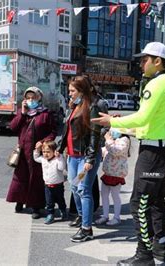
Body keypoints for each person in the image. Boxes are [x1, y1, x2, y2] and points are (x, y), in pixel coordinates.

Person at [91, 42, 165, 265]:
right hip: (163, 147)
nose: (141, 63)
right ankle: (160, 246)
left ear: (157, 61)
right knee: (156, 201)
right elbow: (150, 123)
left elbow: (142, 118)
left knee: (139, 203)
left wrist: (111, 121)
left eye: (144, 59)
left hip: (154, 153)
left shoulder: (158, 84)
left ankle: (144, 255)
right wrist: (121, 124)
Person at [58, 75, 103, 242]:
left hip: (85, 157)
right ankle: (83, 217)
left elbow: (94, 135)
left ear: (82, 91)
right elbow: (67, 131)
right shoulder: (74, 107)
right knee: (75, 188)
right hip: (73, 156)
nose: (69, 93)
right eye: (69, 90)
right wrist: (60, 147)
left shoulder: (92, 107)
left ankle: (86, 228)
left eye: (72, 91)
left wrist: (90, 159)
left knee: (84, 190)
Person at [7, 87, 57, 219]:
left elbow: (53, 132)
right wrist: (22, 113)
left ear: (39, 98)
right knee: (20, 178)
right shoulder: (22, 112)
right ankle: (19, 201)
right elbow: (13, 127)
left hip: (38, 153)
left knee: (36, 179)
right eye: (28, 98)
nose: (30, 100)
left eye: (33, 98)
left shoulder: (45, 114)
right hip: (23, 152)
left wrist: (43, 141)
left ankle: (36, 206)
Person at [95, 128, 130, 226]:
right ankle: (105, 216)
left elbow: (115, 151)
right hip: (108, 173)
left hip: (117, 173)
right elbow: (104, 151)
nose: (112, 132)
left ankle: (116, 217)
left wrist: (108, 140)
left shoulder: (124, 140)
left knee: (115, 196)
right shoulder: (111, 141)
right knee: (104, 195)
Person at [33, 140, 67, 224]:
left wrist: (59, 157)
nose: (45, 154)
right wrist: (37, 150)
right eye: (44, 152)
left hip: (58, 185)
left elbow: (61, 167)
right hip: (47, 185)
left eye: (48, 152)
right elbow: (36, 158)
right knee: (49, 202)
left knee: (60, 200)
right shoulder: (43, 159)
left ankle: (63, 211)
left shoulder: (57, 160)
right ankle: (50, 214)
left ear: (54, 151)